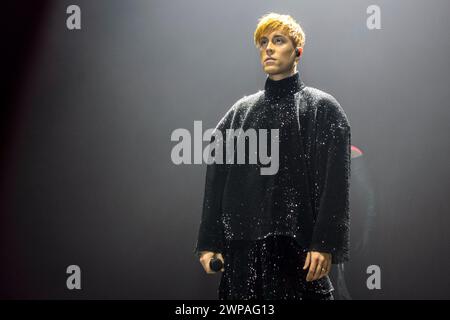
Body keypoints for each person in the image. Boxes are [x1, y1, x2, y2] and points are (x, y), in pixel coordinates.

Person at [194, 12, 351, 300]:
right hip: (244, 255)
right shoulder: (240, 112)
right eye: (263, 41)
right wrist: (209, 241)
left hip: (300, 250)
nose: (268, 47)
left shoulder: (323, 109)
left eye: (278, 41)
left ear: (298, 51)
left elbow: (336, 182)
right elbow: (216, 175)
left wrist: (325, 242)